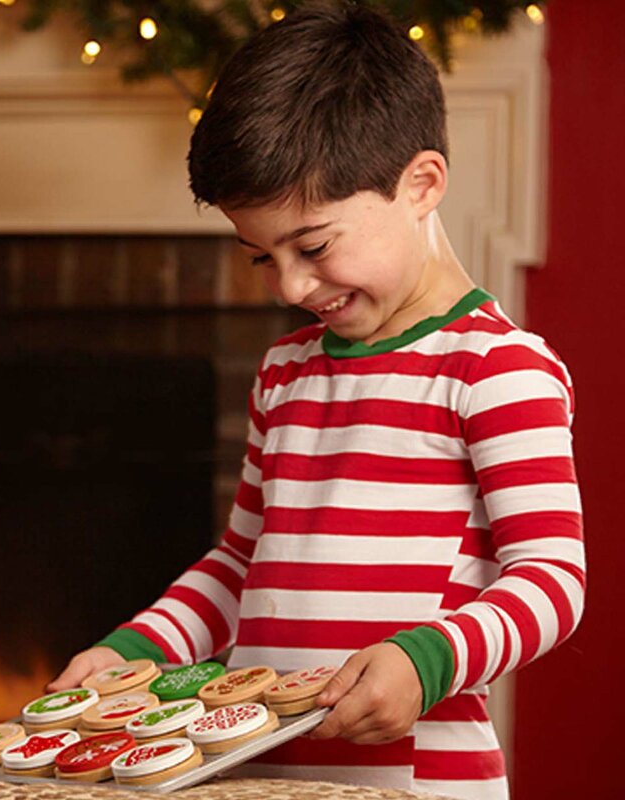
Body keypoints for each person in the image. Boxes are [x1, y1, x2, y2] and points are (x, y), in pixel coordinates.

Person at [49, 3, 585, 798]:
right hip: (254, 770)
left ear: (421, 184)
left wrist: (425, 659)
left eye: (314, 246)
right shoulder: (286, 371)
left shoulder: (495, 369)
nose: (293, 286)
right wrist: (141, 649)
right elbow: (239, 563)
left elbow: (551, 578)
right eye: (261, 257)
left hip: (418, 782)